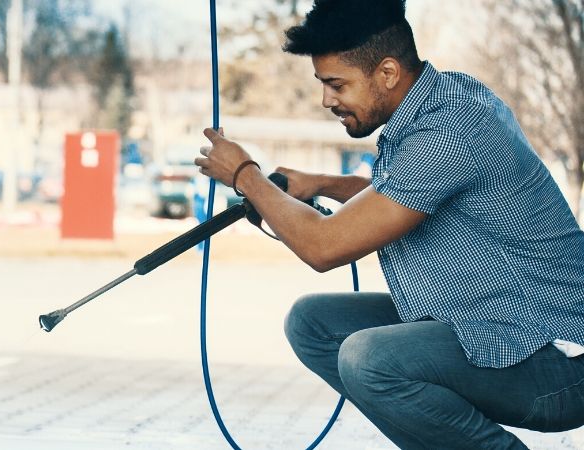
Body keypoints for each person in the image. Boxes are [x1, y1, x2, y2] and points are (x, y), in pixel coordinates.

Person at [193, 0, 584, 448]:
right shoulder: (440, 100)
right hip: (487, 323)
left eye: (337, 84)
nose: (327, 100)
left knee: (370, 359)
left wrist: (246, 175)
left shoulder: (450, 129)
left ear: (388, 73)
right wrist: (321, 183)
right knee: (314, 323)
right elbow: (406, 194)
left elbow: (324, 248)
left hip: (557, 359)